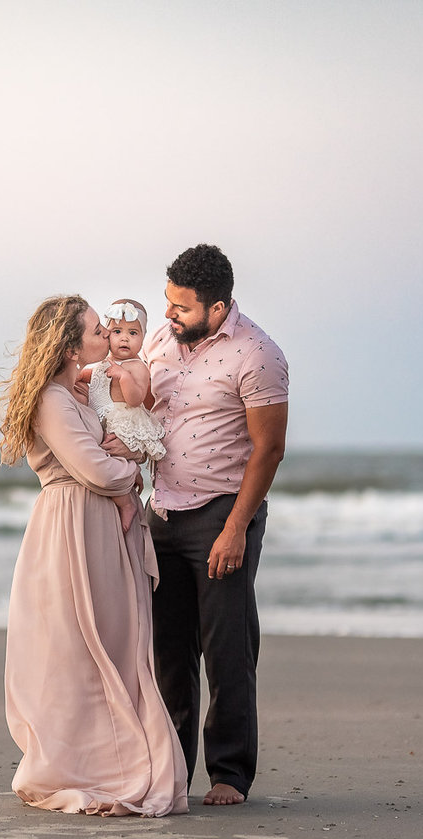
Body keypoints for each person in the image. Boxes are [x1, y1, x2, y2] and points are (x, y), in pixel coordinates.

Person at [0, 294, 188, 817]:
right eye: (97, 330)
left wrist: (127, 457)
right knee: (78, 646)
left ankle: (108, 758)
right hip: (71, 526)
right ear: (69, 347)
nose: (108, 336)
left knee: (109, 642)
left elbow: (113, 441)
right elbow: (96, 470)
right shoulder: (52, 400)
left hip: (98, 526)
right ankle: (83, 765)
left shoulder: (76, 393)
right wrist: (130, 472)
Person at [143, 244, 289, 807]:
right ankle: (173, 771)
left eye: (181, 306)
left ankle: (230, 773)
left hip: (221, 514)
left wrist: (236, 529)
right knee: (169, 653)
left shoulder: (258, 353)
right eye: (168, 302)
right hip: (162, 513)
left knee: (227, 650)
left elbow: (269, 449)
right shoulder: (161, 340)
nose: (169, 314)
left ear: (219, 307)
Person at [79, 299, 166, 533]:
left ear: (143, 337)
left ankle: (126, 504)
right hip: (103, 417)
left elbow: (136, 399)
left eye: (133, 333)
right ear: (107, 334)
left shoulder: (137, 367)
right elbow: (91, 376)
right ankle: (128, 484)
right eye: (117, 331)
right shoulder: (104, 363)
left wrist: (123, 377)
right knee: (103, 460)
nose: (124, 338)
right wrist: (77, 377)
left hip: (122, 423)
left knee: (112, 458)